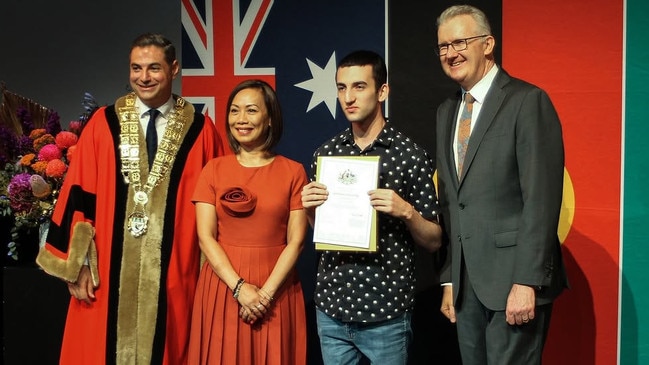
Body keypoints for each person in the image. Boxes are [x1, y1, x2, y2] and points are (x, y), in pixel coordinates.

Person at [36, 33, 224, 364]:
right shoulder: (103, 124)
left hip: (175, 272)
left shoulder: (201, 128)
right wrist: (76, 264)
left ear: (174, 68)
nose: (144, 77)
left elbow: (216, 205)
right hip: (107, 271)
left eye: (154, 68)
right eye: (136, 68)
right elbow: (80, 195)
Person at [434, 5, 569, 365]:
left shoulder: (527, 101)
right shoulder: (447, 111)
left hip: (514, 283)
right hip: (467, 288)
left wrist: (527, 281)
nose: (451, 53)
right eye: (443, 46)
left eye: (460, 42)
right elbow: (451, 202)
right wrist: (450, 278)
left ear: (488, 44)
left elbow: (540, 200)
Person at [301, 50, 442, 365]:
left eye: (359, 87)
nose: (348, 97)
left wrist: (406, 211)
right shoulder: (326, 154)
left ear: (382, 91)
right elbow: (324, 235)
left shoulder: (410, 156)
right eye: (341, 88)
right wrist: (311, 211)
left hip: (386, 313)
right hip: (332, 309)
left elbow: (434, 240)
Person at [187, 79, 308, 364]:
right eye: (234, 111)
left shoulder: (294, 171)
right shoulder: (213, 169)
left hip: (277, 288)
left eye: (251, 110)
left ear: (269, 119)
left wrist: (264, 296)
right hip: (223, 286)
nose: (241, 119)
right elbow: (205, 237)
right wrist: (239, 288)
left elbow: (297, 241)